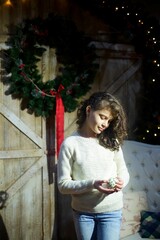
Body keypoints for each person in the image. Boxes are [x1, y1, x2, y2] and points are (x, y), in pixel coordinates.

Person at [57, 91, 130, 240]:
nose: (105, 124)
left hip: (112, 211)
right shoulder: (70, 144)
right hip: (83, 213)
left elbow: (123, 171)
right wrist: (93, 184)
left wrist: (122, 181)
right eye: (102, 117)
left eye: (109, 121)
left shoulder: (111, 141)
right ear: (89, 110)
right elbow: (62, 185)